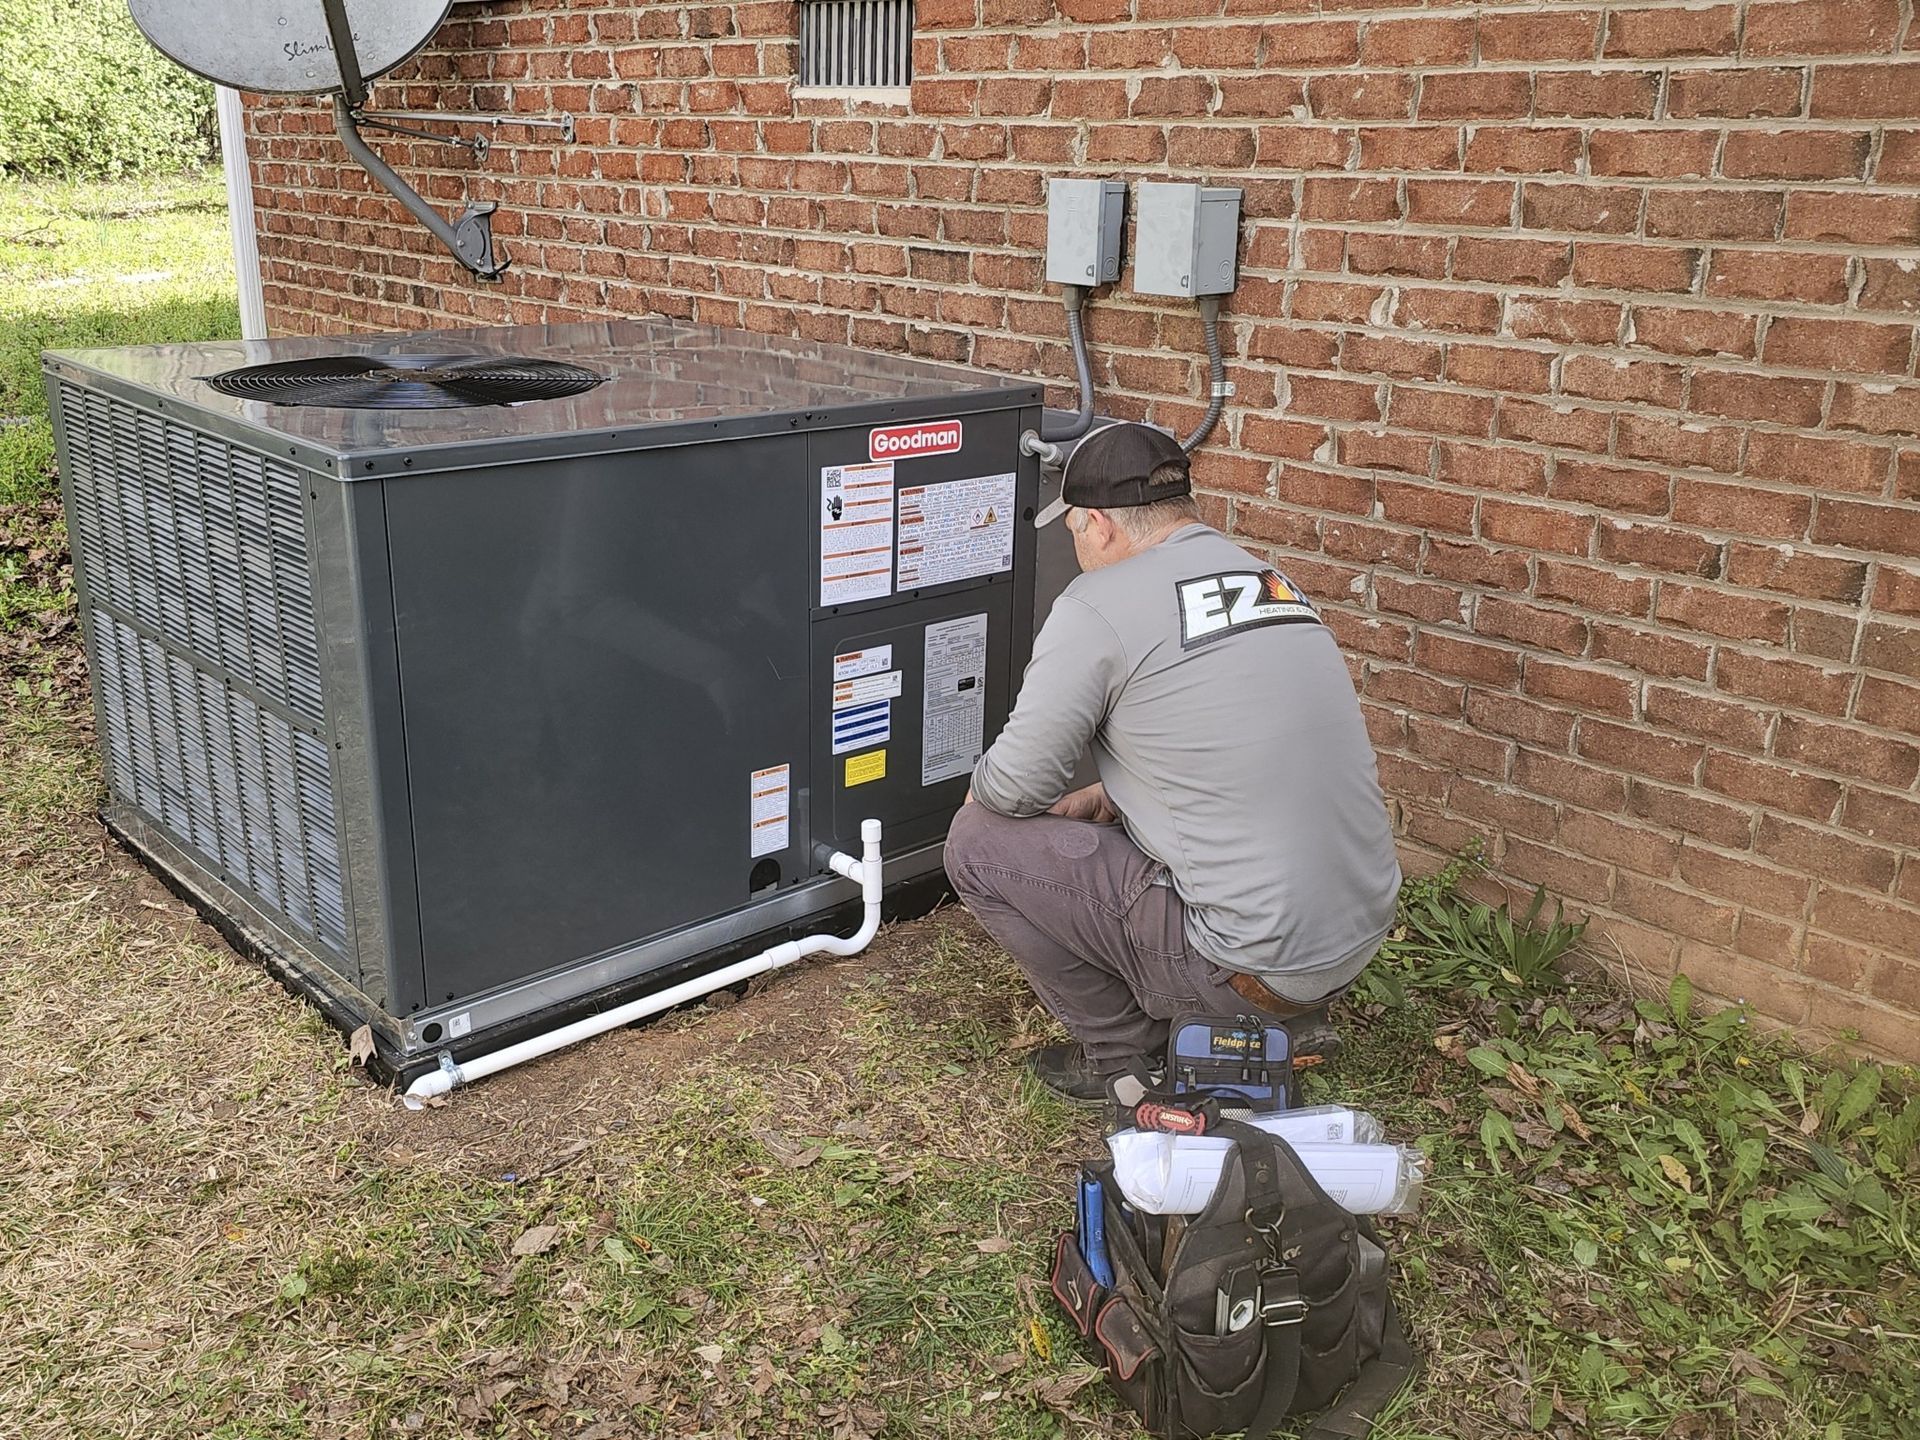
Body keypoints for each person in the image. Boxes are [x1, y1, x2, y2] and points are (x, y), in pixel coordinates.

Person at [944, 421, 1401, 1102]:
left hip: (1244, 965)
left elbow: (1015, 788)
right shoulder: (1271, 582)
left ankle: (1129, 1060)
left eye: (1073, 532)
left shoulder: (1096, 604)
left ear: (1096, 525)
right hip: (1355, 939)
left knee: (977, 843)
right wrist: (1111, 794)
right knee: (1096, 819)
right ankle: (1290, 1019)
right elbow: (1230, 755)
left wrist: (980, 796)